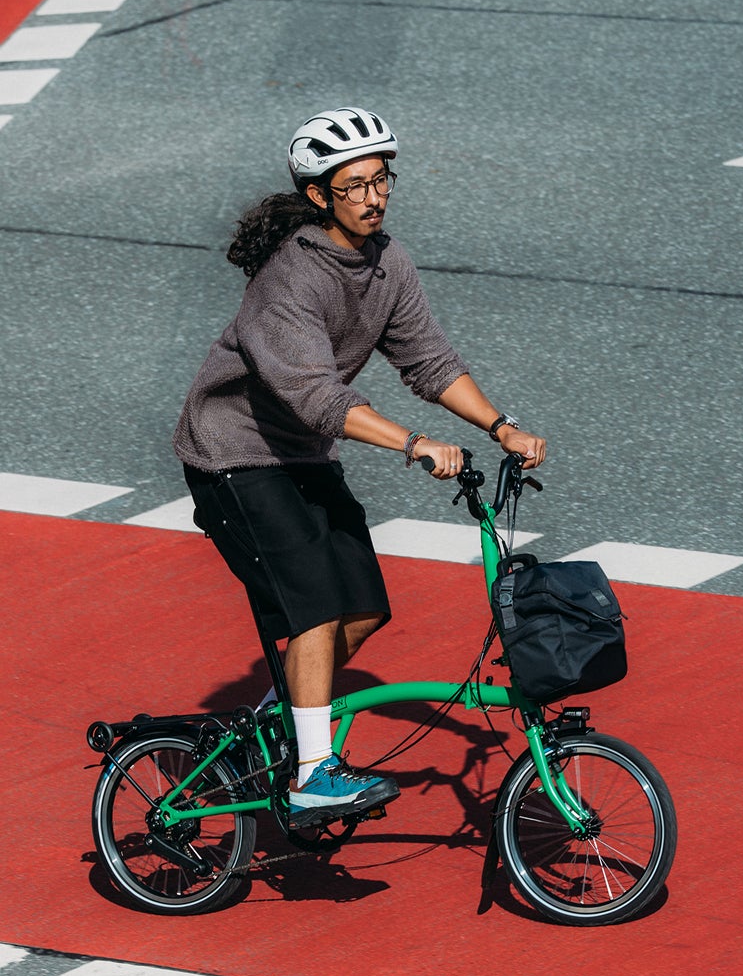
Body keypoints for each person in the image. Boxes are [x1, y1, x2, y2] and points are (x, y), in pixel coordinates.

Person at [173, 105, 545, 826]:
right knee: (313, 607)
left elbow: (429, 362)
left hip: (302, 456)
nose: (375, 197)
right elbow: (316, 396)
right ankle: (313, 773)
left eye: (383, 180)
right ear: (319, 196)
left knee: (366, 608)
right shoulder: (289, 280)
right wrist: (414, 445)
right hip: (235, 458)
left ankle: (278, 726)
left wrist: (501, 426)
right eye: (356, 185)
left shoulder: (387, 264)